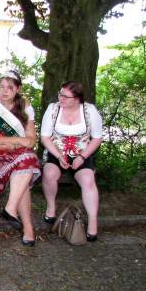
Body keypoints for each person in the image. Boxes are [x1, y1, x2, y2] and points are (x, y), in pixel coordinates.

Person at [0, 70, 41, 245]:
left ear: (18, 89)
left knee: (25, 165)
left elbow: (32, 140)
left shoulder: (25, 107)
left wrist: (16, 143)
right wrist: (17, 141)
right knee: (27, 164)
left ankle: (12, 210)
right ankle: (26, 226)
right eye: (2, 86)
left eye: (10, 87)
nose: (4, 91)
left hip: (18, 151)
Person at [41, 81, 103, 241]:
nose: (60, 98)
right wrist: (59, 155)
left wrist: (82, 157)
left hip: (82, 152)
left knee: (88, 180)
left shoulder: (90, 111)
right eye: (60, 94)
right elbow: (45, 137)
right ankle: (51, 207)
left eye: (65, 96)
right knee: (49, 174)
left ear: (77, 99)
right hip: (56, 151)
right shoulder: (53, 109)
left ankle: (93, 222)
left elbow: (97, 138)